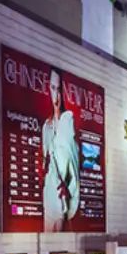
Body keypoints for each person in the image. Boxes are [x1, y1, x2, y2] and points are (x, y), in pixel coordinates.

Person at [41, 68, 80, 231]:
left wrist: (68, 189)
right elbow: (45, 160)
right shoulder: (46, 126)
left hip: (61, 197)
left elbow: (73, 162)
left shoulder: (67, 120)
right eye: (52, 88)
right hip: (49, 193)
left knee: (59, 238)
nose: (55, 94)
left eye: (58, 89)